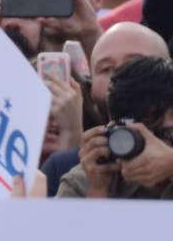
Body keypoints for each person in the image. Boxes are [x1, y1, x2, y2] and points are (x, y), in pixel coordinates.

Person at [60, 54, 173, 199]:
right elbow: (77, 222)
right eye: (149, 122)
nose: (157, 143)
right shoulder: (83, 181)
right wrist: (98, 189)